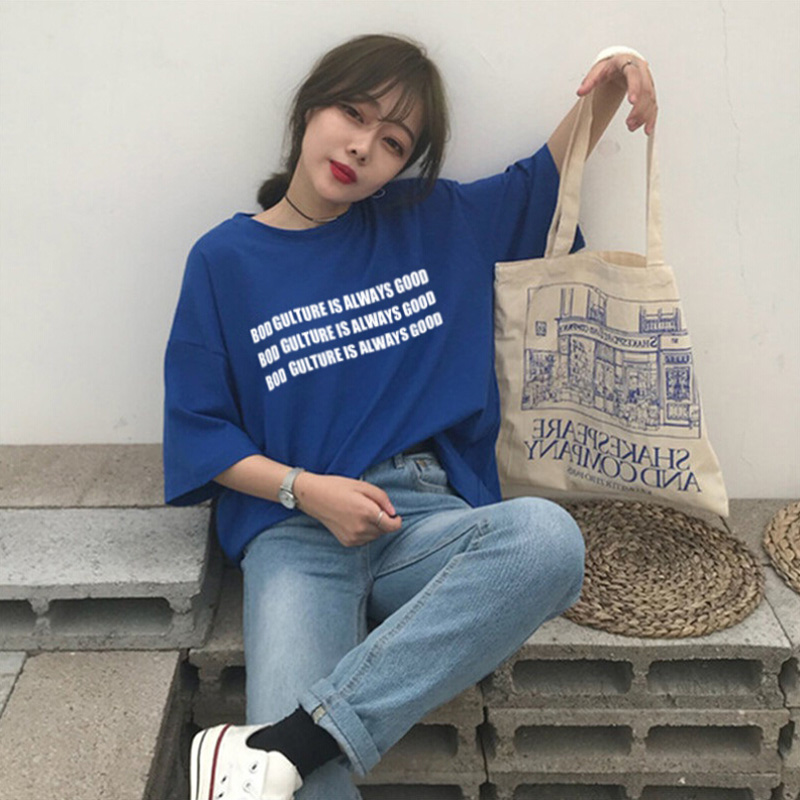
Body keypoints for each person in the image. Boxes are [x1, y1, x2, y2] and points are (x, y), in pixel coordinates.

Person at [164, 34, 657, 800]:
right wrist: (307, 490)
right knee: (295, 790)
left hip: (423, 520)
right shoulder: (224, 259)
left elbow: (544, 180)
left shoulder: (430, 222)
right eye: (352, 114)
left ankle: (301, 736)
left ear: (405, 165)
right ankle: (294, 750)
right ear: (309, 109)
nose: (362, 148)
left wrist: (617, 72)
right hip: (296, 531)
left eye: (393, 142)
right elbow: (201, 429)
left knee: (548, 541)